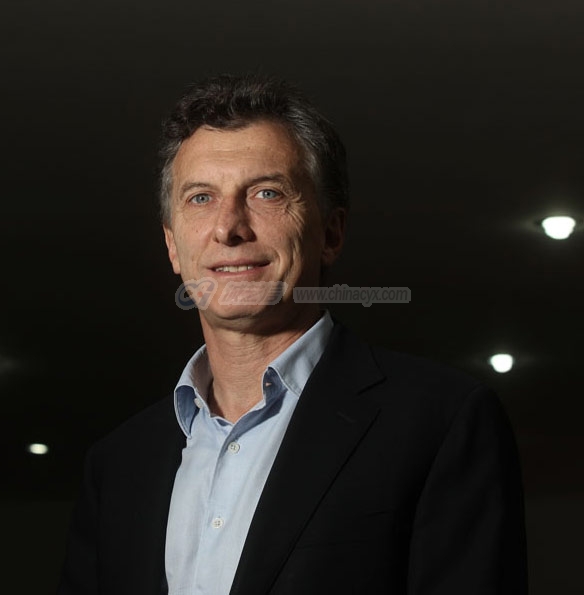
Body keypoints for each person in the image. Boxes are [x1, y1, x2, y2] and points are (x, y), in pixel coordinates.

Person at [58, 74, 527, 595]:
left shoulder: (441, 422)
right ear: (173, 245)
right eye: (200, 198)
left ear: (331, 233)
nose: (228, 228)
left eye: (267, 192)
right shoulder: (118, 464)